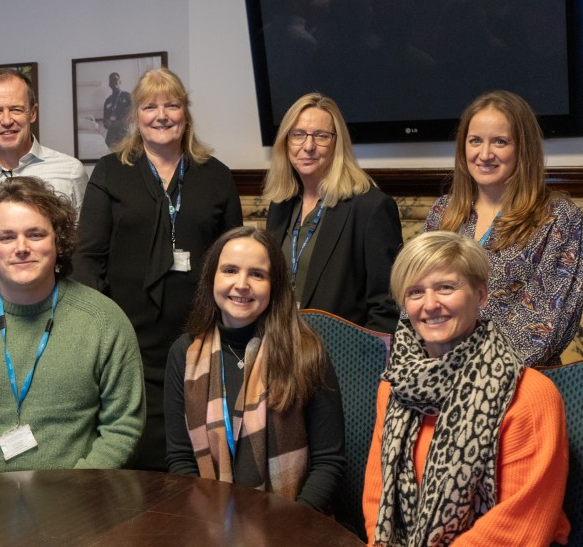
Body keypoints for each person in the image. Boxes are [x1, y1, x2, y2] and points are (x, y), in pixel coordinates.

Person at [0, 177, 144, 478]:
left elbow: (123, 427)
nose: (21, 248)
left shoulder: (104, 320)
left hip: (78, 504)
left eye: (35, 234)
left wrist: (79, 493)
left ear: (57, 242)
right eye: (6, 237)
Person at [73, 67, 243, 471]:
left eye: (172, 104)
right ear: (136, 116)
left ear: (186, 114)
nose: (161, 114)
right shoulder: (111, 172)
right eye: (150, 106)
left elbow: (235, 257)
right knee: (139, 450)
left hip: (200, 336)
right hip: (128, 336)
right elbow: (87, 257)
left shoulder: (215, 175)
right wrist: (101, 324)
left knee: (195, 448)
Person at [363, 231, 570, 546]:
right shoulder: (395, 386)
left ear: (481, 295)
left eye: (446, 287)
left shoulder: (530, 396)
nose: (430, 304)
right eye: (415, 292)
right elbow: (379, 500)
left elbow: (518, 528)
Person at [165, 227, 345, 514]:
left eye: (257, 274)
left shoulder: (307, 352)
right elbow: (181, 459)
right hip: (208, 523)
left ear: (274, 285)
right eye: (230, 270)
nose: (242, 284)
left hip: (293, 526)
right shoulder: (184, 355)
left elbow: (329, 464)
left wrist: (286, 527)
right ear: (212, 277)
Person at [424, 90, 583, 366]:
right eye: (475, 141)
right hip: (437, 372)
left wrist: (468, 370)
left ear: (523, 148)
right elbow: (414, 298)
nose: (485, 154)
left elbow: (544, 325)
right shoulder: (443, 212)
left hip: (519, 382)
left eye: (500, 141)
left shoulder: (559, 217)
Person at [263, 92, 402, 333]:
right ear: (285, 142)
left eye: (321, 136)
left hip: (340, 357)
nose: (308, 146)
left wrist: (362, 363)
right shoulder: (281, 204)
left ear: (338, 144)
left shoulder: (371, 208)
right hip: (280, 348)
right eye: (298, 135)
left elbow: (386, 306)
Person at [0, 68, 88, 285]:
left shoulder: (70, 172)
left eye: (16, 109)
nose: (6, 120)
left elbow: (81, 250)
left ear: (32, 112)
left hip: (55, 305)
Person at [102, 72, 132, 148]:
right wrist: (106, 123)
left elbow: (132, 116)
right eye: (111, 80)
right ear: (109, 84)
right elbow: (105, 120)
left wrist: (114, 124)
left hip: (124, 133)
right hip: (111, 136)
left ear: (120, 82)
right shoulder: (108, 100)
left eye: (116, 79)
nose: (114, 82)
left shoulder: (127, 96)